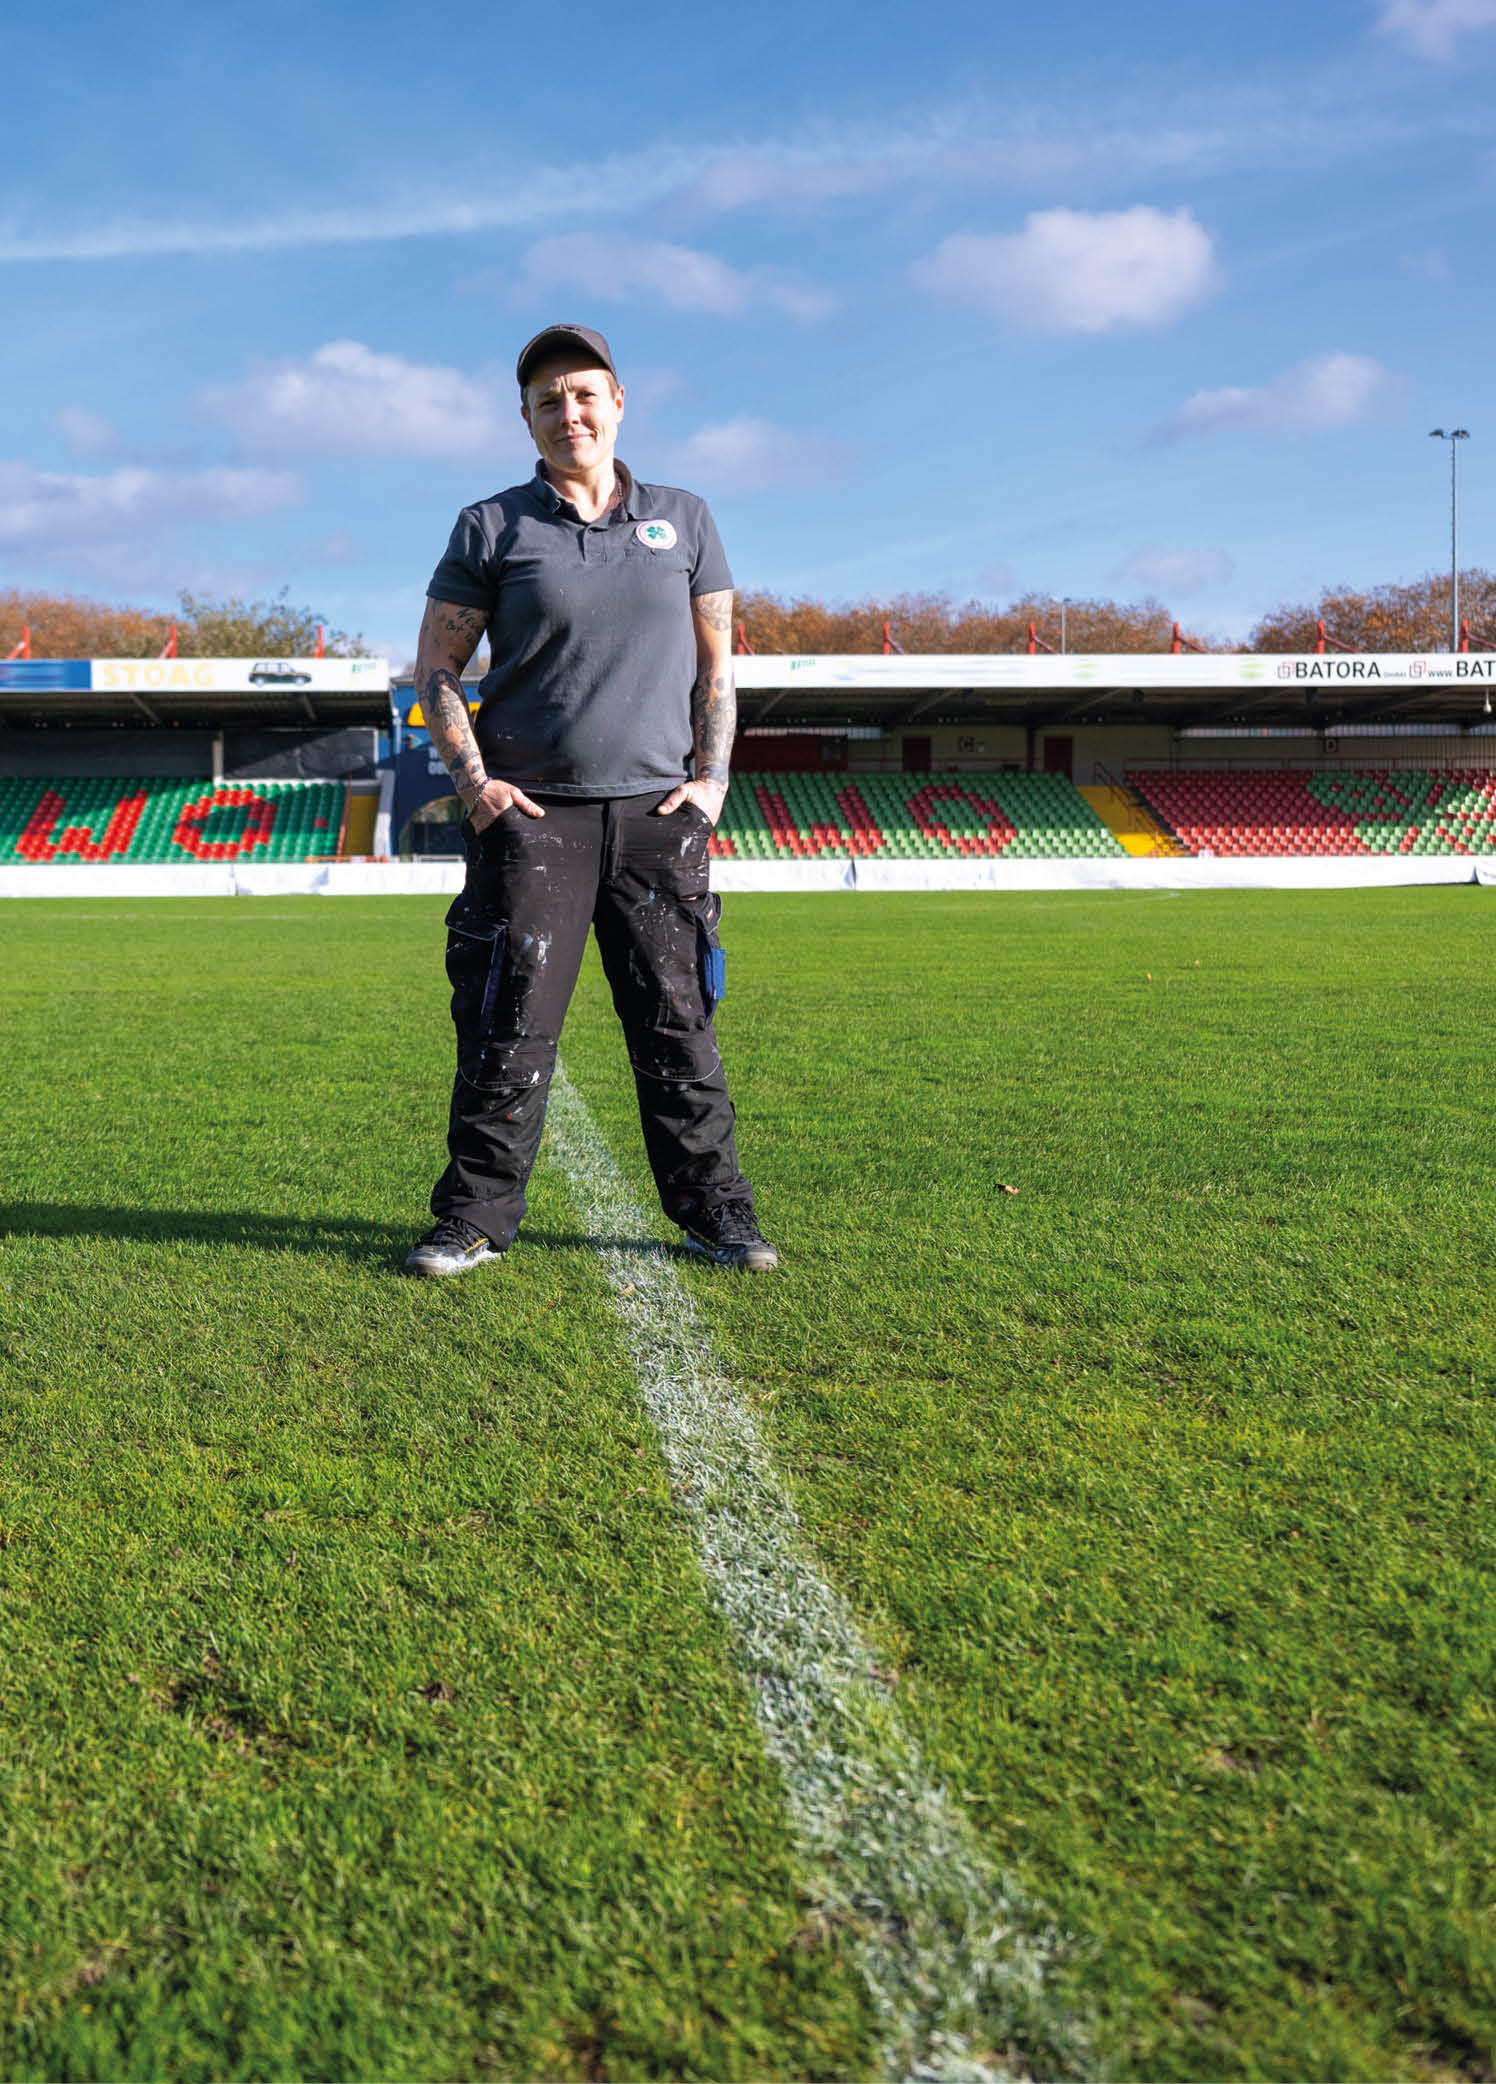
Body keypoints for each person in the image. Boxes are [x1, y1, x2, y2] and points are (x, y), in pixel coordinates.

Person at [404, 322, 778, 1278]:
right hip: (535, 821)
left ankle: (718, 1215)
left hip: (659, 818)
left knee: (678, 1022)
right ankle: (475, 1218)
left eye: (582, 393)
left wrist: (711, 783)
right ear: (525, 420)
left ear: (617, 403)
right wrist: (476, 785)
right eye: (545, 400)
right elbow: (438, 669)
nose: (567, 412)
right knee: (505, 1020)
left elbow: (717, 667)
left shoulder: (684, 518)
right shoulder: (492, 526)